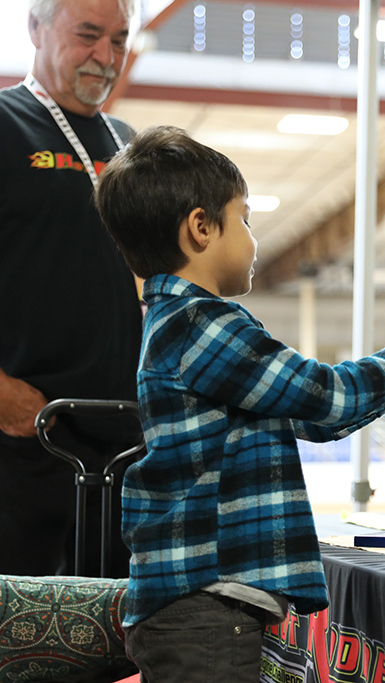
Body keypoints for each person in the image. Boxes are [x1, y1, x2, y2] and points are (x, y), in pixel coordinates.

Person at [94, 124, 385, 682]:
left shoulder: (184, 324)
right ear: (201, 228)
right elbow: (324, 395)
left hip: (205, 602)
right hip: (203, 603)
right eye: (245, 219)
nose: (253, 237)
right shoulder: (200, 324)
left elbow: (311, 416)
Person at [0, 0, 140, 576]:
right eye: (88, 35)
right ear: (36, 29)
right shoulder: (6, 123)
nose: (105, 58)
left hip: (124, 440)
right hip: (26, 432)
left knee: (109, 643)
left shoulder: (129, 143)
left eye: (119, 40)